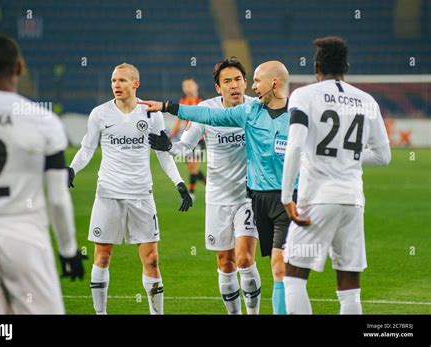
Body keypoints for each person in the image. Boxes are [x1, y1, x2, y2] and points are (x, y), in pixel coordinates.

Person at [139, 60, 295, 314]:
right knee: (226, 263)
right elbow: (184, 148)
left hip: (249, 196)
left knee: (245, 258)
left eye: (238, 80)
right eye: (227, 81)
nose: (234, 85)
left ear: (245, 83)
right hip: (217, 197)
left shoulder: (256, 108)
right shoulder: (206, 109)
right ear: (218, 87)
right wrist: (167, 145)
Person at [0, 34, 84, 314]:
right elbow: (58, 198)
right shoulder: (42, 120)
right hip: (26, 242)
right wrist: (68, 250)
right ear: (19, 67)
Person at [67, 63, 192, 315]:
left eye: (122, 80)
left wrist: (179, 183)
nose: (116, 85)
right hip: (108, 194)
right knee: (102, 257)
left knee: (152, 259)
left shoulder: (151, 113)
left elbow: (163, 152)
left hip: (141, 195)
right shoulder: (99, 114)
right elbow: (88, 149)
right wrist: (71, 169)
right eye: (114, 80)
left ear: (135, 84)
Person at [281, 36, 391, 314]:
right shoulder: (367, 100)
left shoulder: (303, 96)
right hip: (353, 201)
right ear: (347, 66)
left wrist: (286, 197)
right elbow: (383, 156)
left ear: (316, 67)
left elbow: (294, 145)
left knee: (293, 275)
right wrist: (347, 156)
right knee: (349, 286)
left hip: (316, 200)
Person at [169, 77, 206, 198]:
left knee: (194, 166)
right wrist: (170, 136)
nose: (187, 88)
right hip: (187, 141)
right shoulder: (183, 101)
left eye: (190, 85)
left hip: (200, 140)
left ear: (196, 86)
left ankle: (191, 193)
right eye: (185, 86)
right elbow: (178, 121)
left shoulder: (202, 102)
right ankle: (207, 183)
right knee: (192, 168)